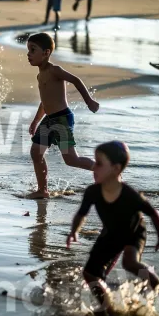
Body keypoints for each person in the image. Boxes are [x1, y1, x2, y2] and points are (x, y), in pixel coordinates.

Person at [66, 141, 159, 314]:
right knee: (90, 273)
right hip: (111, 233)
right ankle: (107, 307)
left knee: (130, 262)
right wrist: (74, 231)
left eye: (99, 163)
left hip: (133, 232)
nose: (94, 167)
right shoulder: (92, 192)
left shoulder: (129, 195)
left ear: (116, 169)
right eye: (95, 162)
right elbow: (82, 214)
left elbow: (154, 214)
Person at [27, 33, 99, 199]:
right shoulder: (40, 75)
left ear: (46, 53)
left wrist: (89, 101)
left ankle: (102, 170)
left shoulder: (55, 70)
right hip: (49, 119)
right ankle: (42, 190)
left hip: (62, 119)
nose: (28, 54)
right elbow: (45, 101)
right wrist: (36, 121)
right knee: (36, 153)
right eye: (28, 50)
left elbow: (76, 80)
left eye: (33, 50)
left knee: (71, 159)